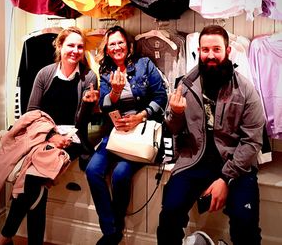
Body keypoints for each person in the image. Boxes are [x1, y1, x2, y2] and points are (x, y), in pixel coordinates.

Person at [157, 25, 265, 245]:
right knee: (169, 215)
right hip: (193, 160)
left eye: (216, 49)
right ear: (198, 51)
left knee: (246, 226)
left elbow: (252, 141)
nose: (211, 55)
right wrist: (175, 114)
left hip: (235, 165)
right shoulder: (184, 85)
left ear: (228, 51)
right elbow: (174, 129)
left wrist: (225, 178)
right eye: (206, 50)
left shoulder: (245, 89)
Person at [0, 26, 99, 245]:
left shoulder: (88, 77)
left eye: (80, 46)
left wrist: (89, 105)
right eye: (70, 45)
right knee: (35, 185)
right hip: (43, 133)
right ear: (60, 46)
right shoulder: (45, 73)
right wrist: (51, 135)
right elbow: (32, 112)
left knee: (31, 179)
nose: (75, 50)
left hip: (73, 137)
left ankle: (4, 237)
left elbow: (82, 123)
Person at [86, 25, 167, 245]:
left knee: (121, 174)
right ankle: (111, 230)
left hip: (141, 131)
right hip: (117, 132)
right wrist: (114, 92)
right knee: (93, 170)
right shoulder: (105, 72)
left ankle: (115, 228)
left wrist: (140, 116)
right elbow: (104, 106)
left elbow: (161, 98)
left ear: (128, 46)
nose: (116, 47)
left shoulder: (144, 65)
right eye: (112, 44)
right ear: (107, 49)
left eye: (120, 42)